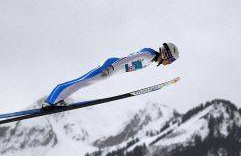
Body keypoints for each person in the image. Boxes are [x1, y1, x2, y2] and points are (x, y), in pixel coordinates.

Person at [42, 42, 179, 109]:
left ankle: (51, 100)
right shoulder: (148, 55)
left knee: (82, 81)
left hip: (113, 67)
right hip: (112, 67)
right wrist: (112, 68)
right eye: (171, 60)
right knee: (84, 82)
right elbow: (127, 60)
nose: (169, 63)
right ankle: (53, 102)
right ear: (166, 55)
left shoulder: (150, 56)